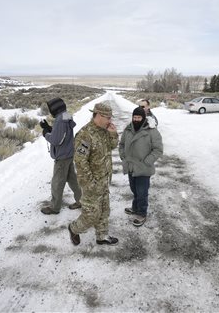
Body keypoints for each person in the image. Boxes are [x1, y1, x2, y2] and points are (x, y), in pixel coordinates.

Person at [68, 101, 119, 246]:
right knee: (91, 215)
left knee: (104, 210)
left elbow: (112, 146)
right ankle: (73, 228)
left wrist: (113, 134)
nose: (110, 120)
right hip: (92, 182)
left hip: (104, 179)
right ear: (98, 115)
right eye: (108, 118)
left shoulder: (104, 131)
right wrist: (90, 184)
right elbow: (80, 161)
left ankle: (102, 236)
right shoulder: (85, 135)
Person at [119, 106, 163, 227]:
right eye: (134, 117)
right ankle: (135, 207)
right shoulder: (128, 129)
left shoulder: (152, 131)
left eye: (139, 117)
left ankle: (142, 213)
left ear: (143, 118)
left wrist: (147, 161)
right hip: (131, 166)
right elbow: (121, 144)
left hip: (144, 167)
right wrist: (123, 156)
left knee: (142, 192)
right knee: (134, 190)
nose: (136, 119)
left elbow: (158, 150)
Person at [39, 97, 82, 215]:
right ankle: (81, 200)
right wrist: (49, 128)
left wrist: (45, 134)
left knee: (57, 182)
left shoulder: (59, 120)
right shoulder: (66, 115)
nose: (50, 111)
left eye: (50, 109)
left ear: (55, 109)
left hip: (62, 157)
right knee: (72, 179)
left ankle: (54, 207)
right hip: (68, 153)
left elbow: (56, 140)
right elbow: (63, 133)